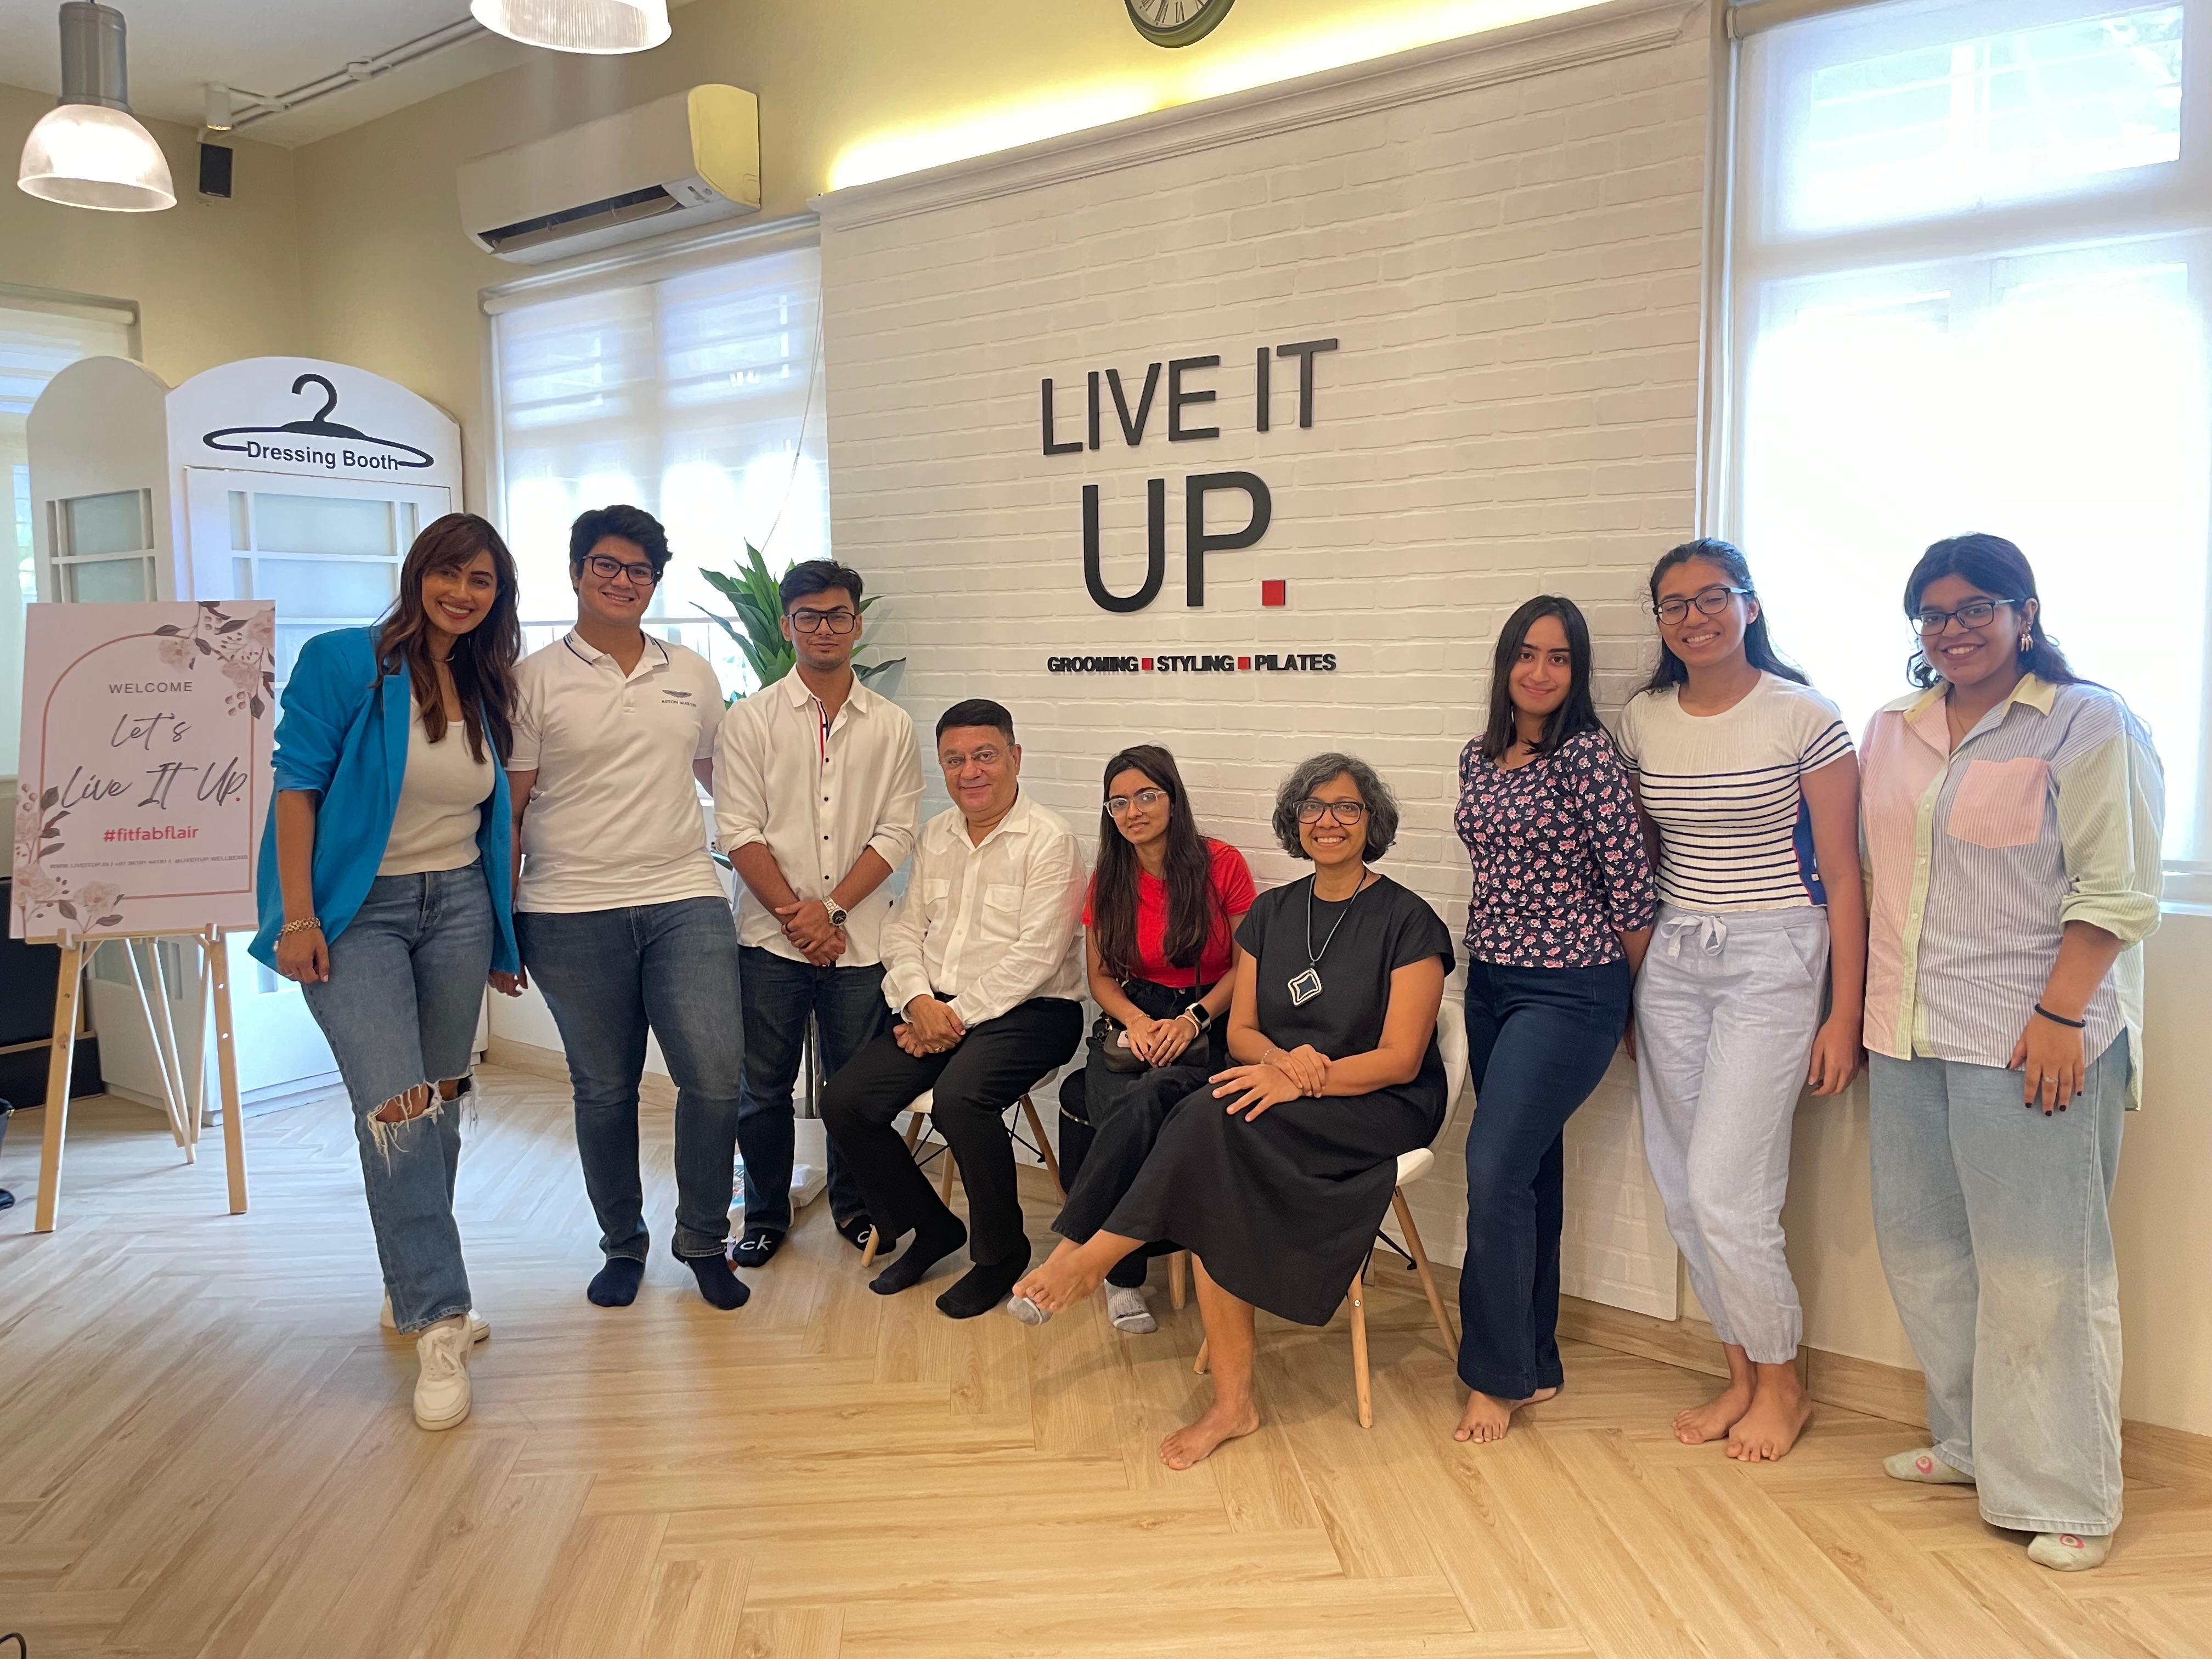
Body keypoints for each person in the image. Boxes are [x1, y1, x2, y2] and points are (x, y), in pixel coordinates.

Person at [1014, 754, 1453, 1471]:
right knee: (1170, 1103)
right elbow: (1242, 1031)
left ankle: (1094, 1256)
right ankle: (1229, 1401)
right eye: (1312, 808)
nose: (1328, 821)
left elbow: (1402, 1059)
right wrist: (1279, 1066)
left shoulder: (1408, 920)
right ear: (1294, 822)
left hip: (1378, 1103)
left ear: (1372, 821)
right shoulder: (1274, 914)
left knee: (1212, 1119)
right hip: (1280, 1083)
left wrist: (1305, 1080)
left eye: (1346, 807)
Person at [1861, 534, 2161, 1573]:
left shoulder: (2088, 720)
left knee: (2044, 1271)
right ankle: (1970, 1446)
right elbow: (1881, 877)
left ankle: (2068, 1492)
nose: (1952, 630)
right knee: (1928, 1254)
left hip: (2032, 1037)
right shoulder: (1893, 728)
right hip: (1907, 1029)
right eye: (1933, 613)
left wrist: (2062, 1016)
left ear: (2023, 612)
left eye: (1975, 608)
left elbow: (2116, 887)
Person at [251, 512, 522, 1432]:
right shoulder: (345, 661)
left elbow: (493, 818)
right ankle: (440, 1323)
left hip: (459, 906)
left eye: (481, 580)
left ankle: (411, 1277)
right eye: (449, 572)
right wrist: (298, 917)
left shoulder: (485, 679)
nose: (462, 593)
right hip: (356, 912)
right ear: (417, 573)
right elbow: (296, 789)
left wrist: (503, 939)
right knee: (396, 1108)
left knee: (437, 1103)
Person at [1618, 537, 1866, 1463]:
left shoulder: (1803, 714)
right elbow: (1640, 861)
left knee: (1729, 1188)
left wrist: (1843, 1014)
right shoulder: (1642, 718)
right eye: (1674, 604)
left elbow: (1844, 875)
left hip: (1775, 955)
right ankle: (1740, 1372)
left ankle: (1783, 1383)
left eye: (1713, 596)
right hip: (1673, 957)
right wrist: (1633, 988)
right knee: (1683, 1182)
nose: (1695, 617)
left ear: (1750, 605)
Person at [507, 505, 751, 1312]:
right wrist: (501, 926)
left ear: (654, 582)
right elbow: (510, 811)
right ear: (577, 572)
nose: (622, 581)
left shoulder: (691, 673)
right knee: (605, 1089)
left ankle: (703, 1240)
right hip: (568, 911)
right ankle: (623, 1244)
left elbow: (725, 781)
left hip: (684, 895)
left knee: (714, 1077)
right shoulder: (532, 680)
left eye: (639, 570)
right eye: (606, 565)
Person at [1452, 596, 1656, 1443]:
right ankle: (1534, 1360)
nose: (1540, 672)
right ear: (1506, 663)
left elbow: (1634, 891)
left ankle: (1494, 1379)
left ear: (1578, 672)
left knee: (1493, 1168)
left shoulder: (1587, 757)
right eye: (1527, 654)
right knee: (1527, 1173)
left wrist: (1627, 1002)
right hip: (1492, 982)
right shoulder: (1477, 757)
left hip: (1572, 987)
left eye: (1560, 658)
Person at [817, 699, 1085, 1318]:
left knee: (960, 1099)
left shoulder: (1051, 840)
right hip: (934, 1007)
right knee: (845, 1100)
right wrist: (917, 1001)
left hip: (1035, 1010)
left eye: (985, 755)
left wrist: (950, 1018)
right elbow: (902, 931)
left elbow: (1037, 957)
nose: (971, 771)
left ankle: (1002, 1255)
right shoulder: (935, 834)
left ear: (1015, 757)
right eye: (955, 760)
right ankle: (932, 1227)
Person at [715, 558, 922, 1265]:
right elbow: (738, 830)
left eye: (837, 615)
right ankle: (764, 1217)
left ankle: (855, 1209)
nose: (823, 628)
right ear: (787, 625)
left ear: (857, 624)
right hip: (768, 944)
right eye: (808, 616)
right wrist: (796, 918)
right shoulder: (749, 721)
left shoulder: (892, 726)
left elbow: (897, 832)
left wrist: (829, 912)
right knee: (762, 1089)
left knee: (852, 1089)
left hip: (858, 942)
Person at [1007, 744, 1255, 1333]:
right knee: (1120, 1105)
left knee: (1147, 1101)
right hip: (1132, 1018)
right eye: (1118, 802)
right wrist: (1136, 1022)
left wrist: (1192, 1019)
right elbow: (1099, 977)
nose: (1133, 811)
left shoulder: (1222, 864)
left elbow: (1249, 966)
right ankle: (1120, 1277)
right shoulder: (1109, 878)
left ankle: (1076, 1256)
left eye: (1147, 795)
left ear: (1173, 798)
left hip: (1211, 1017)